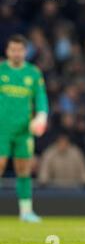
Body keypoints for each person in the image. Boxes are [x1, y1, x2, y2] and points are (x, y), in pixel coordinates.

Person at [0, 34, 48, 222]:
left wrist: (41, 116)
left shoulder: (33, 73)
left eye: (20, 50)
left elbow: (41, 98)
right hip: (2, 129)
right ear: (7, 51)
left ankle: (26, 211)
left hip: (24, 130)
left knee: (24, 169)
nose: (16, 53)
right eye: (13, 49)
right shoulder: (1, 71)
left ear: (25, 52)